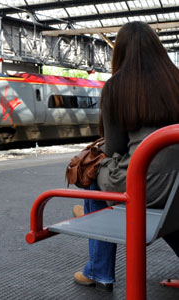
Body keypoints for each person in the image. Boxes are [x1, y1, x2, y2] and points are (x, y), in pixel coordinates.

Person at [73, 21, 179, 291]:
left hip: (142, 183)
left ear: (119, 52)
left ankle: (99, 270)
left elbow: (115, 148)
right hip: (177, 185)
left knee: (94, 173)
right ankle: (92, 210)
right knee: (171, 211)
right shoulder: (176, 80)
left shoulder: (117, 87)